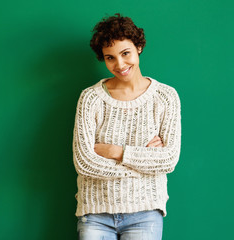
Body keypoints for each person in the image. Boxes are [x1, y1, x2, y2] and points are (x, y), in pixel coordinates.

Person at [72, 13, 181, 240]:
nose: (120, 64)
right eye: (110, 57)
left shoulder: (166, 97)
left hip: (145, 214)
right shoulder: (90, 98)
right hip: (95, 213)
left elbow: (168, 159)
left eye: (125, 53)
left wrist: (115, 152)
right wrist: (144, 161)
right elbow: (84, 162)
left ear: (138, 46)